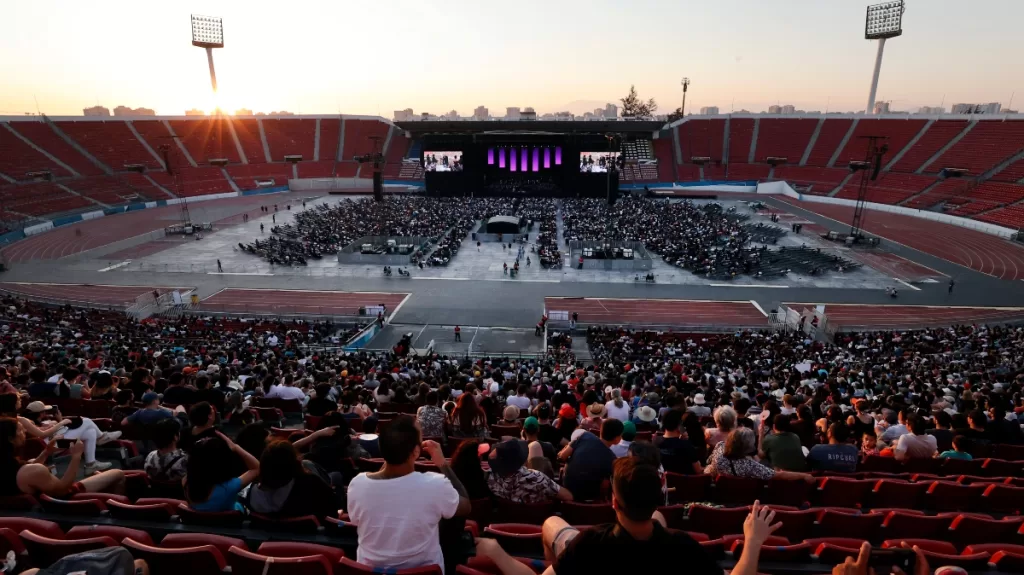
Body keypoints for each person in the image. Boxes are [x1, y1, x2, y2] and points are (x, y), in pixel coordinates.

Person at [475, 457, 768, 575]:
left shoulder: (589, 544)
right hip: (655, 544)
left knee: (552, 523)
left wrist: (496, 551)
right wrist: (753, 541)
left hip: (594, 553)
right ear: (657, 501)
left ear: (614, 502)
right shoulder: (683, 547)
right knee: (658, 522)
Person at [347, 415, 471, 573]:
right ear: (416, 451)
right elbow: (466, 505)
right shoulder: (436, 484)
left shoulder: (357, 484)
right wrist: (442, 463)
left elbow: (355, 519)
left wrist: (391, 454)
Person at [0, 417, 126, 498]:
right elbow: (64, 489)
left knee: (33, 461)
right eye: (20, 431)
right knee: (118, 473)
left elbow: (26, 469)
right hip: (62, 502)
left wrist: (46, 452)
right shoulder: (33, 471)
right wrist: (76, 457)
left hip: (27, 505)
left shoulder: (14, 466)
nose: (25, 433)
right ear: (10, 439)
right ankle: (115, 513)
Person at [245, 439, 337, 519]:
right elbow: (332, 511)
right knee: (336, 475)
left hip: (266, 532)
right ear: (294, 463)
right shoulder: (310, 484)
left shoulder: (250, 495)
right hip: (308, 533)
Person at [185, 432, 260, 512]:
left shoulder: (186, 482)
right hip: (230, 518)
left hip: (198, 519)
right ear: (223, 462)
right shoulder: (230, 486)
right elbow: (257, 468)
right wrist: (235, 447)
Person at [706, 428, 814, 482]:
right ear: (747, 448)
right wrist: (804, 476)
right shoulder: (750, 466)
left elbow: (708, 463)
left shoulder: (720, 446)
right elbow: (779, 475)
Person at [487, 439, 573, 504]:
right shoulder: (538, 479)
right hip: (539, 521)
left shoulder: (491, 480)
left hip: (507, 520)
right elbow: (568, 496)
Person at [559, 420, 621, 501]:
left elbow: (562, 456)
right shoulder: (613, 460)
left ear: (601, 431)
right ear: (617, 439)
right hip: (589, 499)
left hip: (566, 489)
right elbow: (604, 488)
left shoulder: (585, 435)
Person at [653, 410, 701, 474]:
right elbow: (698, 470)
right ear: (679, 426)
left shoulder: (655, 441)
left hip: (663, 479)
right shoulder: (686, 445)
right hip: (685, 479)